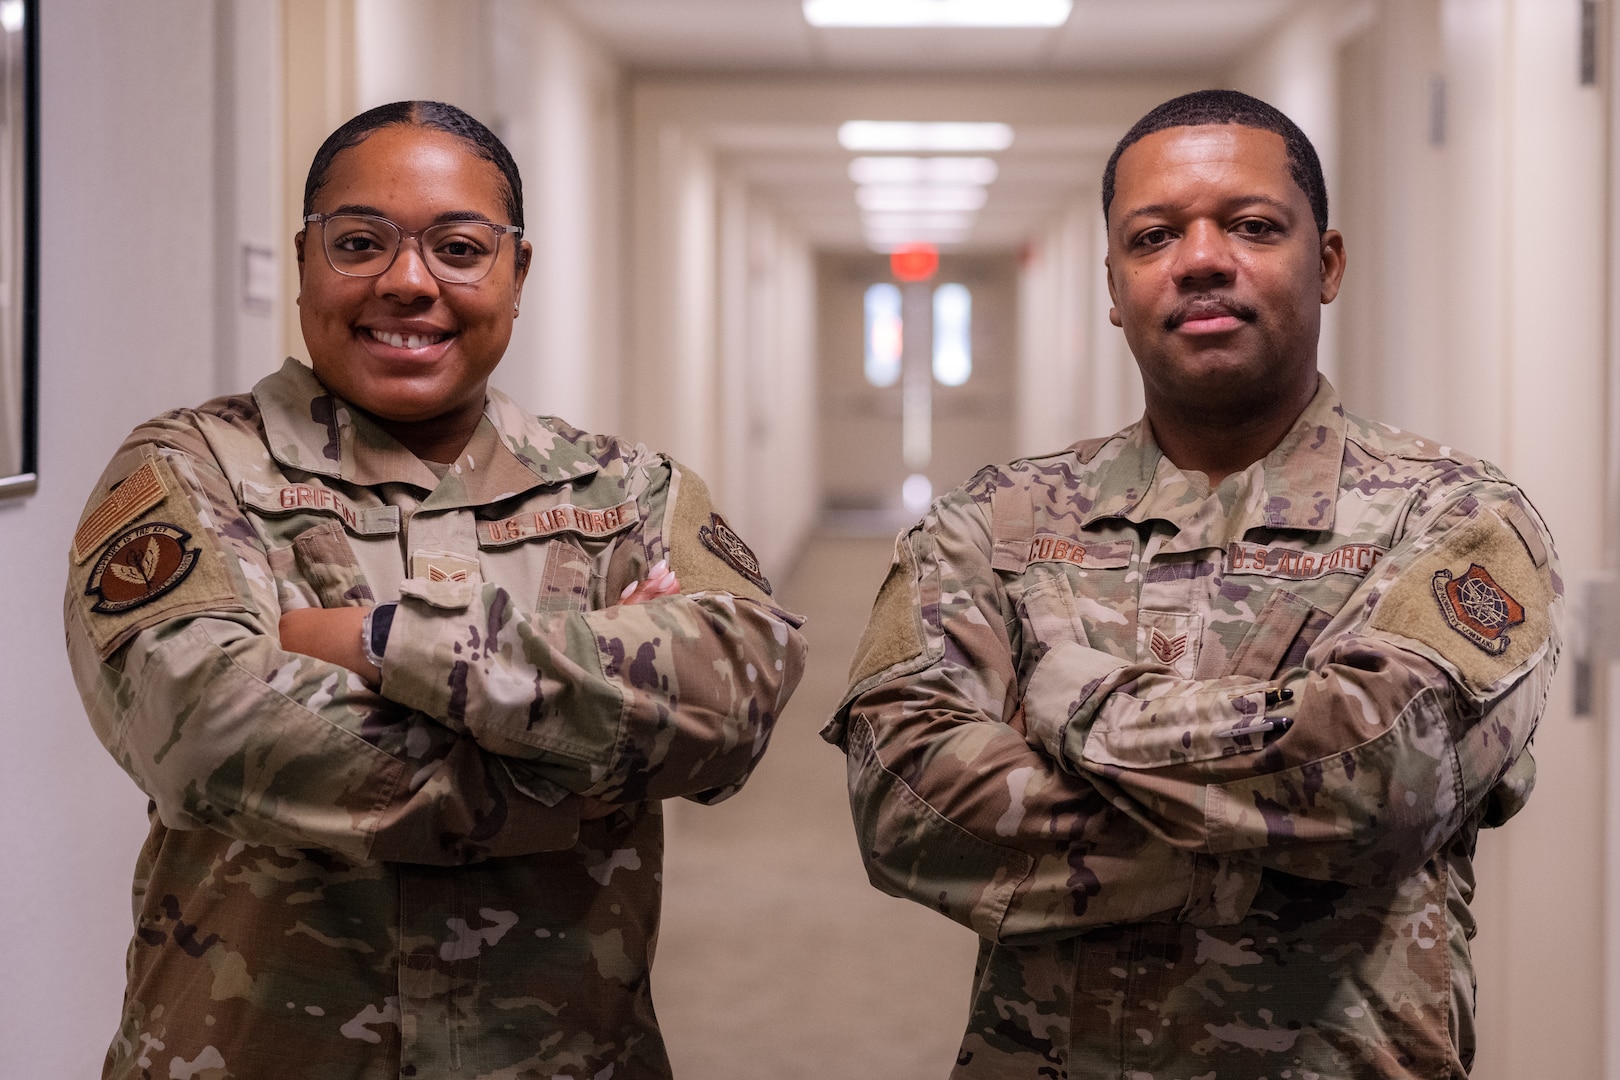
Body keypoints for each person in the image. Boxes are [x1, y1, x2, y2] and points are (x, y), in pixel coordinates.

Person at [825, 89, 1561, 1079]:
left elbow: (1384, 773)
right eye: (1154, 235)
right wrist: (1292, 842)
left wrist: (1078, 704)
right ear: (1115, 287)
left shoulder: (1458, 519)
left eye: (1253, 226)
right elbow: (907, 802)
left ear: (1327, 262)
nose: (1204, 257)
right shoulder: (994, 522)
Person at [65, 100, 807, 1080]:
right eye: (361, 242)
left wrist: (379, 643)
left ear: (517, 271)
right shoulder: (189, 468)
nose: (408, 282)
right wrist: (583, 750)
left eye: (458, 247)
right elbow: (205, 731)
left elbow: (732, 701)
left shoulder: (625, 491)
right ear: (304, 264)